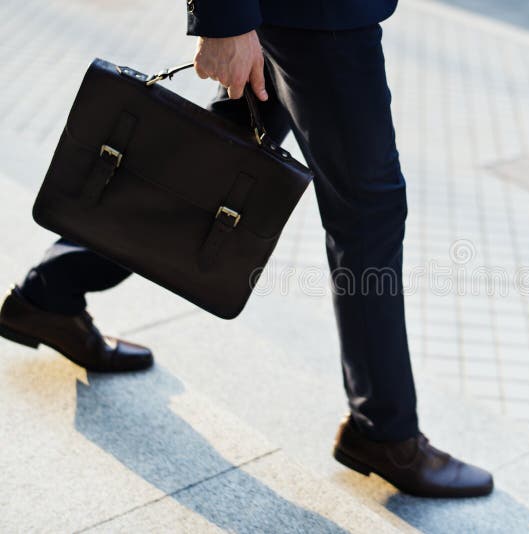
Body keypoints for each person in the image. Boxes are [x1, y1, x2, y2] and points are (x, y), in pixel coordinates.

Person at [0, 1, 493, 498]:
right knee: (369, 213)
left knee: (224, 162)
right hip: (322, 17)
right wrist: (223, 19)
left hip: (295, 14)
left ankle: (50, 294)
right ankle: (386, 433)